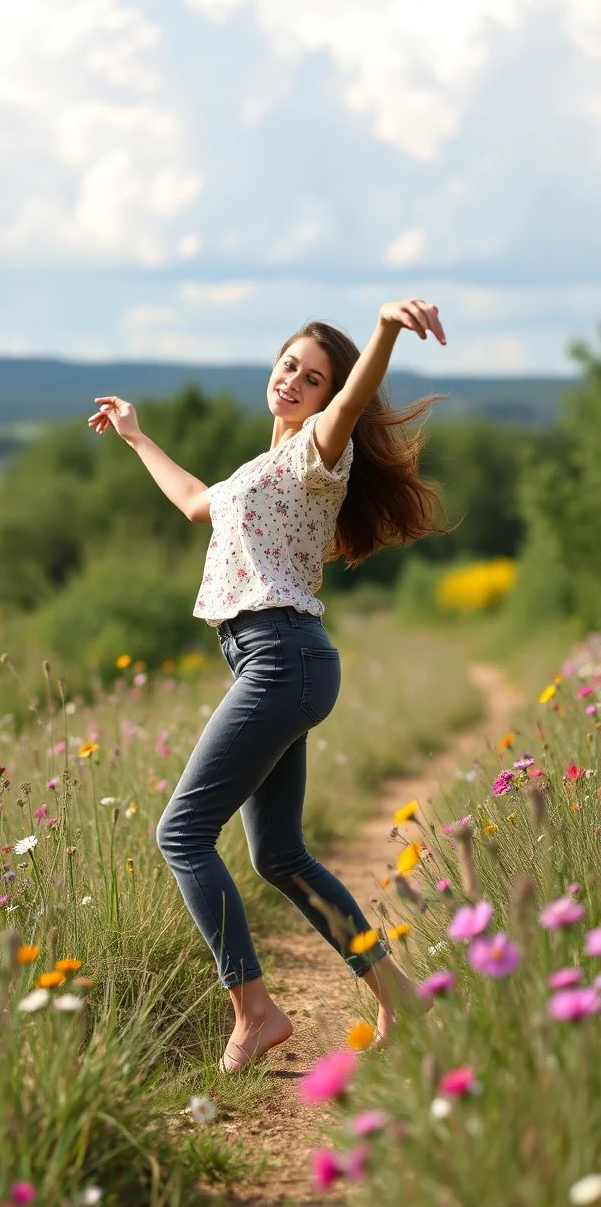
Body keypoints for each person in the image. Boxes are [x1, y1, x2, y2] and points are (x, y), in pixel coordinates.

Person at [87, 299, 447, 1072]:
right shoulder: (259, 469)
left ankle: (252, 1009)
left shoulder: (319, 453)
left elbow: (354, 404)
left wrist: (383, 328)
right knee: (279, 853)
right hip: (277, 660)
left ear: (326, 398)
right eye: (288, 364)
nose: (293, 380)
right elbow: (193, 503)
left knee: (181, 835)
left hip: (282, 656)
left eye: (311, 378)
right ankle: (400, 998)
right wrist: (137, 434)